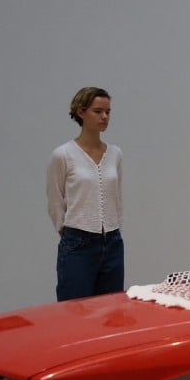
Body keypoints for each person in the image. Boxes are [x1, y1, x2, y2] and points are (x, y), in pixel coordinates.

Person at [46, 87, 125, 301]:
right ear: (81, 112)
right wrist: (68, 231)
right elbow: (55, 200)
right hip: (78, 241)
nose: (104, 117)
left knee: (111, 312)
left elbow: (116, 198)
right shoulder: (63, 155)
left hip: (112, 242)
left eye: (108, 111)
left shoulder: (115, 154)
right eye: (98, 111)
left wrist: (115, 228)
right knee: (74, 311)